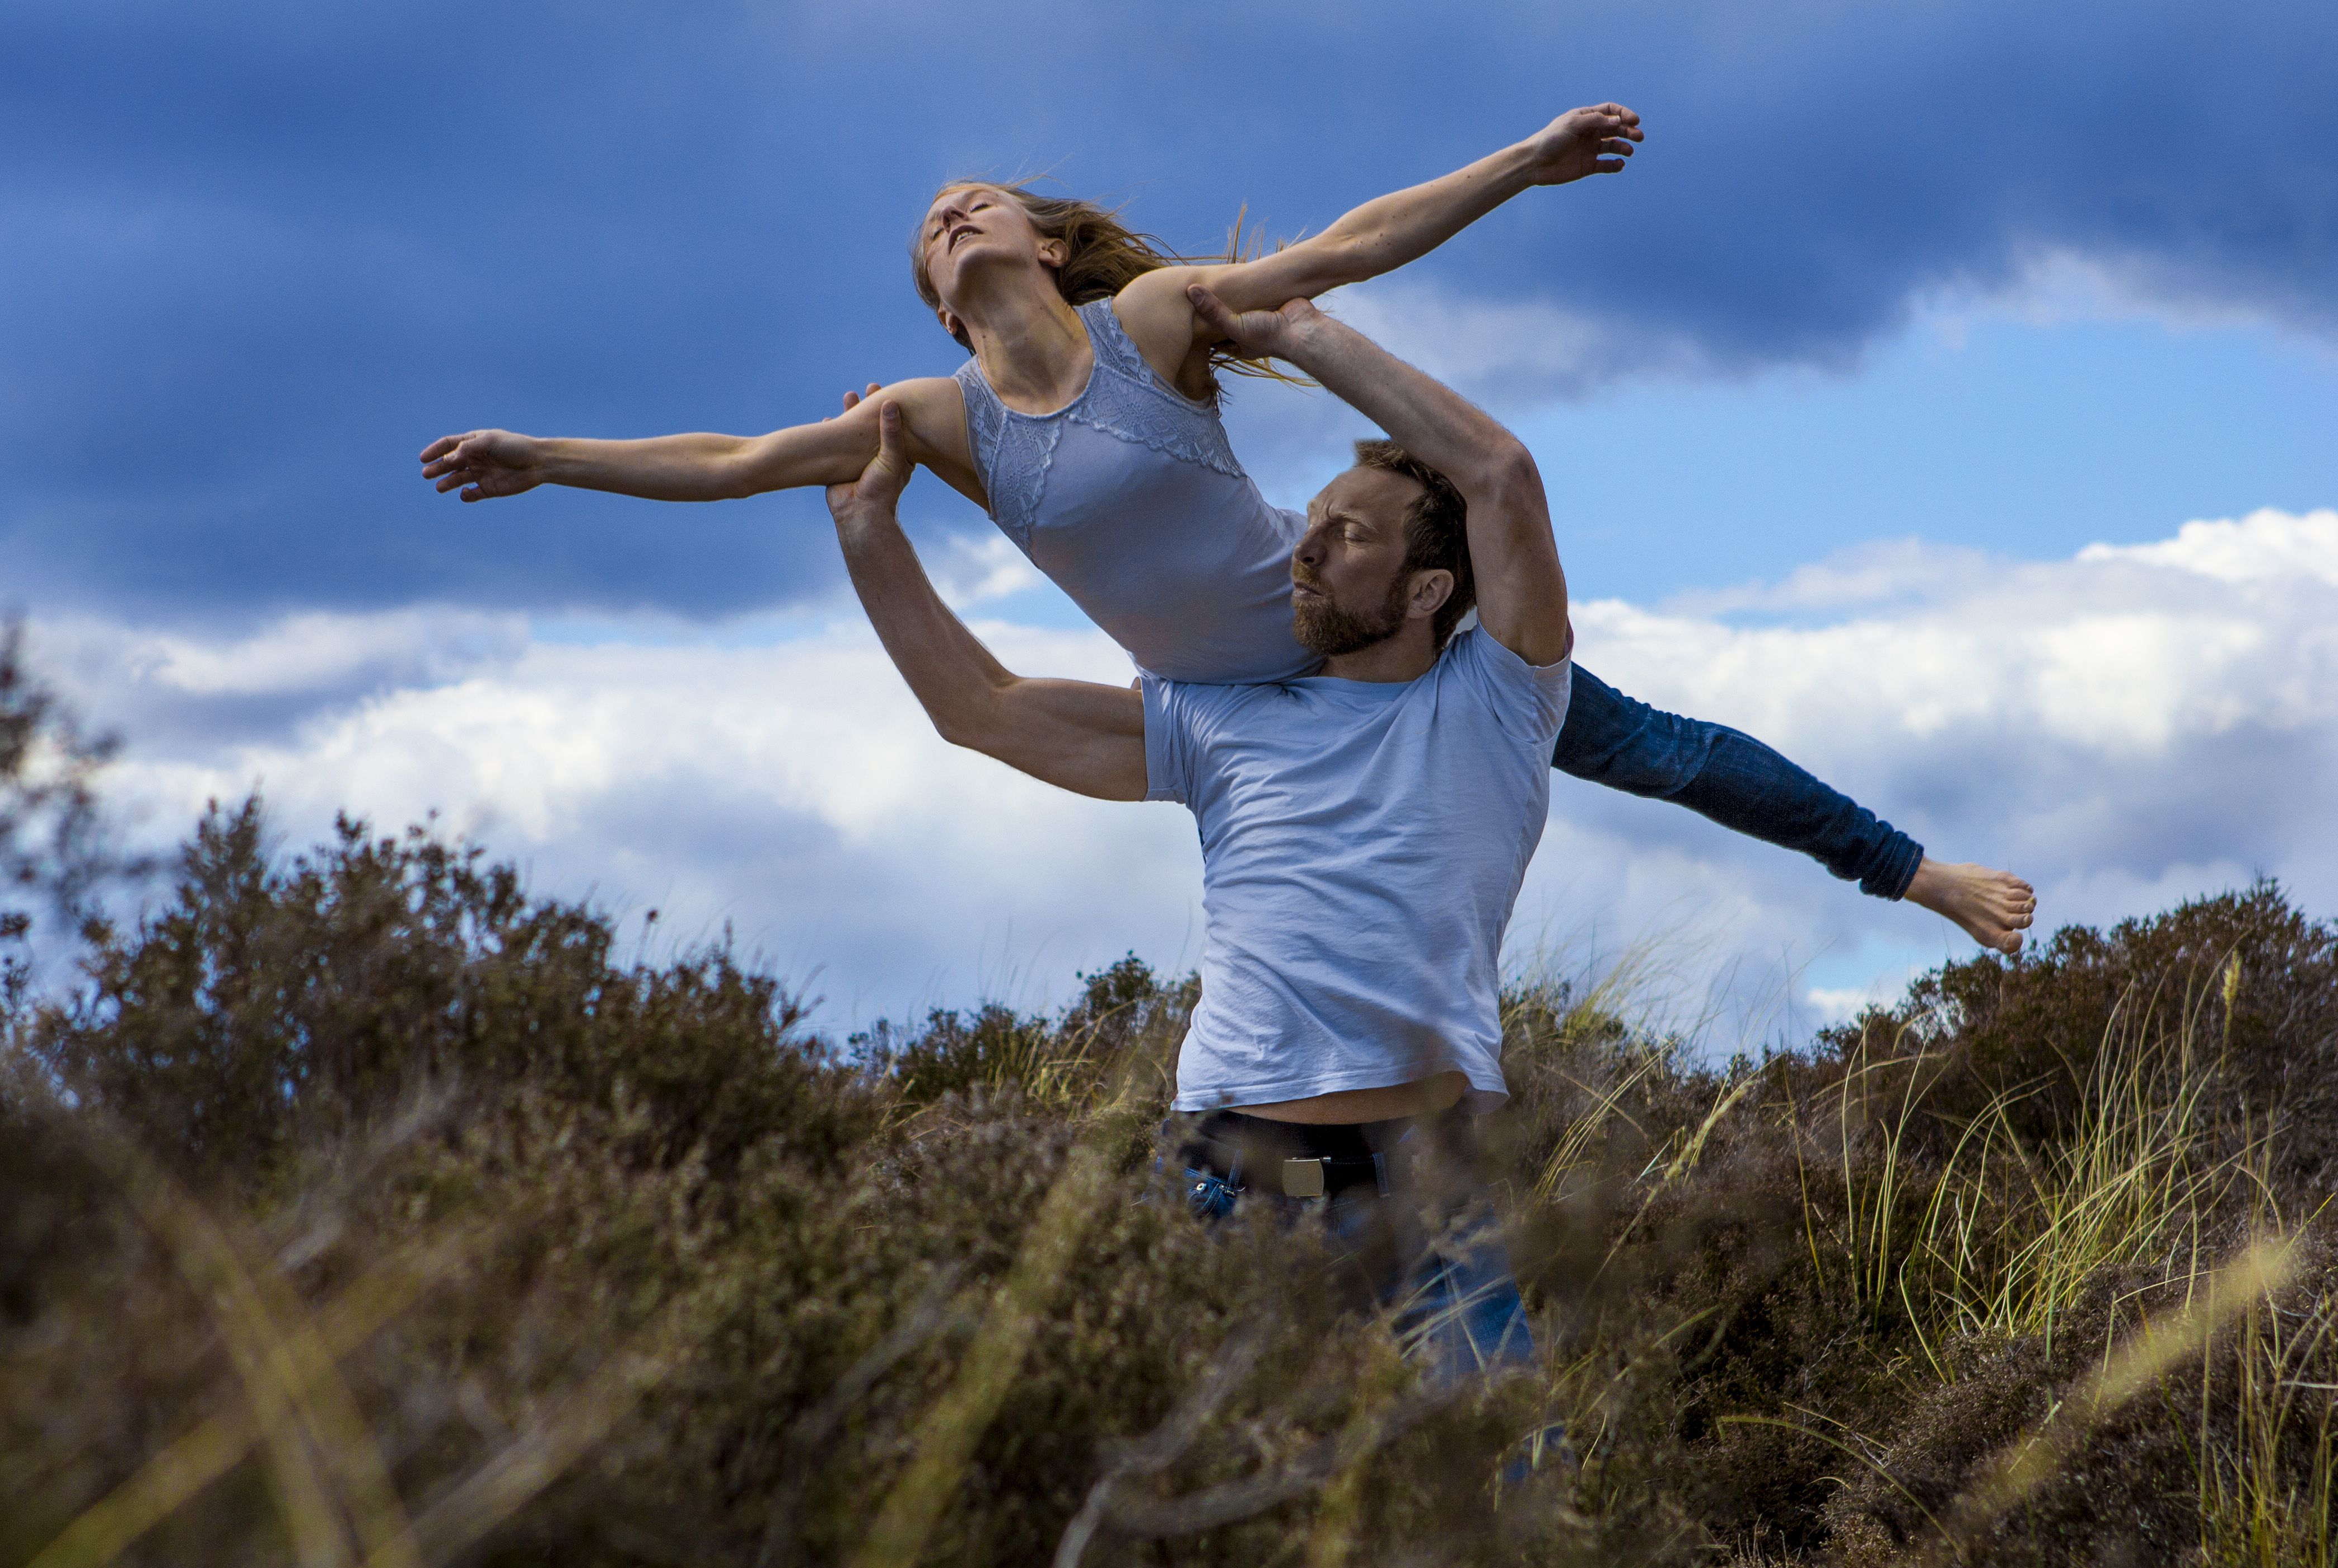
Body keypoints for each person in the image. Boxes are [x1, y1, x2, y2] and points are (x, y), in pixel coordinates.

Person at [420, 107, 2034, 949]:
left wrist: (1527, 170)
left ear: (1050, 246)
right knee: (1034, 760)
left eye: (978, 200)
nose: (948, 215)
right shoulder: (933, 421)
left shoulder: (1161, 321)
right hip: (1212, 717)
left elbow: (1342, 247)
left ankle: (1917, 874)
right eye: (928, 224)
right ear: (932, 293)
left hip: (1371, 648)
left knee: (1656, 754)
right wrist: (548, 456)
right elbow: (730, 457)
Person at [825, 299, 1580, 1376]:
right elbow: (980, 709)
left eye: (1347, 534)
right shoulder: (1219, 717)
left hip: (1428, 1192)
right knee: (1205, 1508)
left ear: (1428, 590)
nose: (1302, 549)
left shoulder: (1504, 700)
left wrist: (1297, 333)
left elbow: (1501, 473)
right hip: (1227, 1179)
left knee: (1508, 1500)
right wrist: (869, 536)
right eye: (1309, 518)